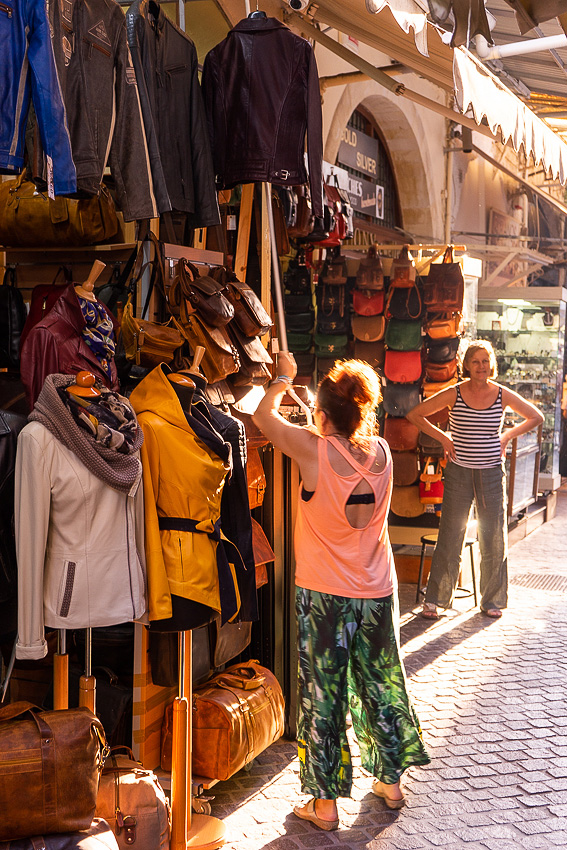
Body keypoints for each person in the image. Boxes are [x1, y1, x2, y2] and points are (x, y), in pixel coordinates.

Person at [253, 353, 430, 831]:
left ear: (324, 413)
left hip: (325, 593)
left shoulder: (313, 449)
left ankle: (325, 804)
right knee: (381, 680)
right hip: (377, 588)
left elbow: (262, 417)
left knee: (322, 692)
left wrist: (283, 378)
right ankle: (390, 782)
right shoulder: (384, 452)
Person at [407, 339, 544, 620]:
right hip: (458, 472)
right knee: (450, 535)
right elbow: (414, 414)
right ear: (466, 365)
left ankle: (492, 600)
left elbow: (536, 416)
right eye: (475, 361)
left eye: (485, 361)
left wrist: (506, 436)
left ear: (490, 364)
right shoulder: (454, 393)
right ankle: (435, 600)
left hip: (492, 472)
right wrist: (444, 437)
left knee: (493, 538)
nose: (481, 366)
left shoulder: (502, 394)